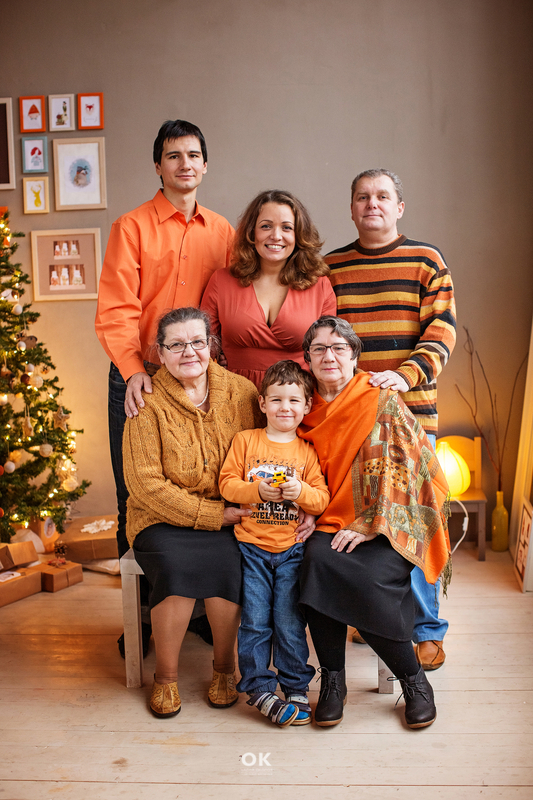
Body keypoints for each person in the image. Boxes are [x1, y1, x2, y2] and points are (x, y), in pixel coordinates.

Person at [95, 120, 233, 654]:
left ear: (205, 164)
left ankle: (195, 610)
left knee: (204, 486)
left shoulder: (221, 231)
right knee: (135, 494)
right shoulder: (131, 227)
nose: (184, 164)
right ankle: (144, 620)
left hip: (198, 376)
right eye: (173, 156)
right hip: (141, 375)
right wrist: (134, 371)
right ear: (158, 165)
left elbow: (226, 305)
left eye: (193, 155)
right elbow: (116, 310)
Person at [325, 169, 456, 671]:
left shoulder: (426, 260)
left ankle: (426, 630)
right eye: (362, 197)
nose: (372, 204)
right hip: (352, 416)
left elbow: (441, 331)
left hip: (411, 416)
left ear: (399, 207)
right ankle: (370, 612)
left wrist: (404, 376)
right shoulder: (332, 267)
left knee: (411, 517)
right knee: (359, 516)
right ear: (351, 208)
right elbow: (325, 337)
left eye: (382, 196)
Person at [297, 316, 451, 729]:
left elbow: (406, 470)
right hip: (328, 520)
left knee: (369, 578)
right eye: (319, 348)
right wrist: (305, 507)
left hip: (388, 522)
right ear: (308, 358)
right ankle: (333, 681)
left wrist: (368, 524)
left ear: (354, 355)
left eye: (339, 348)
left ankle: (414, 681)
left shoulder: (379, 398)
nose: (329, 356)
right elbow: (291, 463)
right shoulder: (301, 406)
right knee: (317, 563)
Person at [122, 307, 261, 718]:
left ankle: (225, 669)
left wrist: (243, 505)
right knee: (175, 567)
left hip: (230, 511)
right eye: (177, 344)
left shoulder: (242, 392)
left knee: (231, 562)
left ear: (211, 346)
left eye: (197, 342)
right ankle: (165, 678)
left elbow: (264, 452)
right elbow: (145, 484)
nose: (189, 352)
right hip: (159, 518)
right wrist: (213, 515)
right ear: (160, 352)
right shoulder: (146, 400)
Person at [219, 361, 330, 727]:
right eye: (277, 399)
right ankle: (259, 687)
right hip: (251, 548)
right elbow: (227, 483)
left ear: (307, 405)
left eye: (294, 400)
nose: (285, 407)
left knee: (289, 620)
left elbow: (321, 499)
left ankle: (296, 686)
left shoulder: (307, 452)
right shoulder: (246, 441)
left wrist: (301, 492)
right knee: (255, 621)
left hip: (291, 551)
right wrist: (255, 490)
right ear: (262, 403)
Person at [201, 189, 336, 389]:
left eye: (287, 228)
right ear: (251, 232)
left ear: (299, 235)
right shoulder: (221, 281)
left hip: (296, 397)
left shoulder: (320, 285)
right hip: (232, 393)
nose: (276, 236)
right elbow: (203, 345)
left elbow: (327, 352)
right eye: (266, 226)